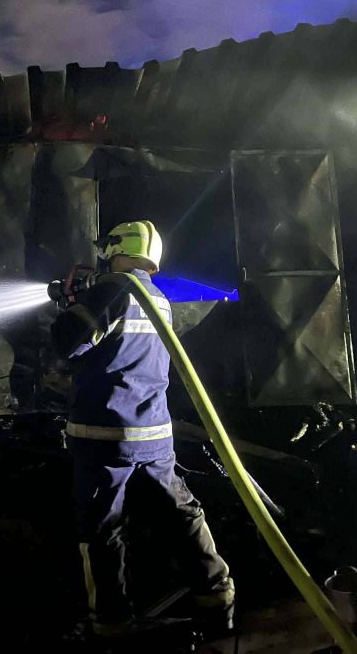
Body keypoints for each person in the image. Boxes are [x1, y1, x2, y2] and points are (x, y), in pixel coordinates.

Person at [50, 220, 234, 638]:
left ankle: (111, 622)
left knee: (102, 531)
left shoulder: (110, 290)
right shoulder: (157, 297)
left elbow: (68, 344)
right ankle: (217, 595)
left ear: (115, 248)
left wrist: (67, 305)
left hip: (103, 438)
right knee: (182, 514)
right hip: (153, 435)